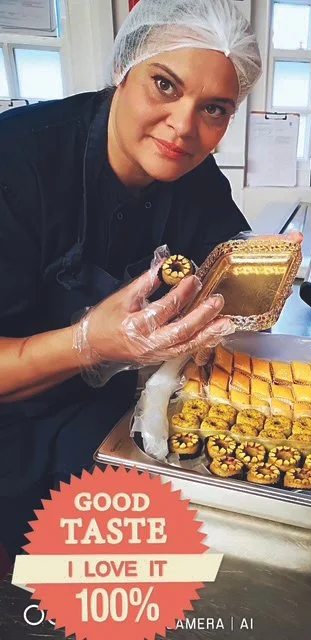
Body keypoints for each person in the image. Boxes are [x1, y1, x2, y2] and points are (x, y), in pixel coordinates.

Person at [0, 0, 262, 564]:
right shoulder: (16, 162)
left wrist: (256, 280)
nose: (184, 126)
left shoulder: (193, 175)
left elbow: (229, 263)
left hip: (112, 417)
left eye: (214, 109)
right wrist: (88, 343)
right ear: (123, 68)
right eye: (165, 85)